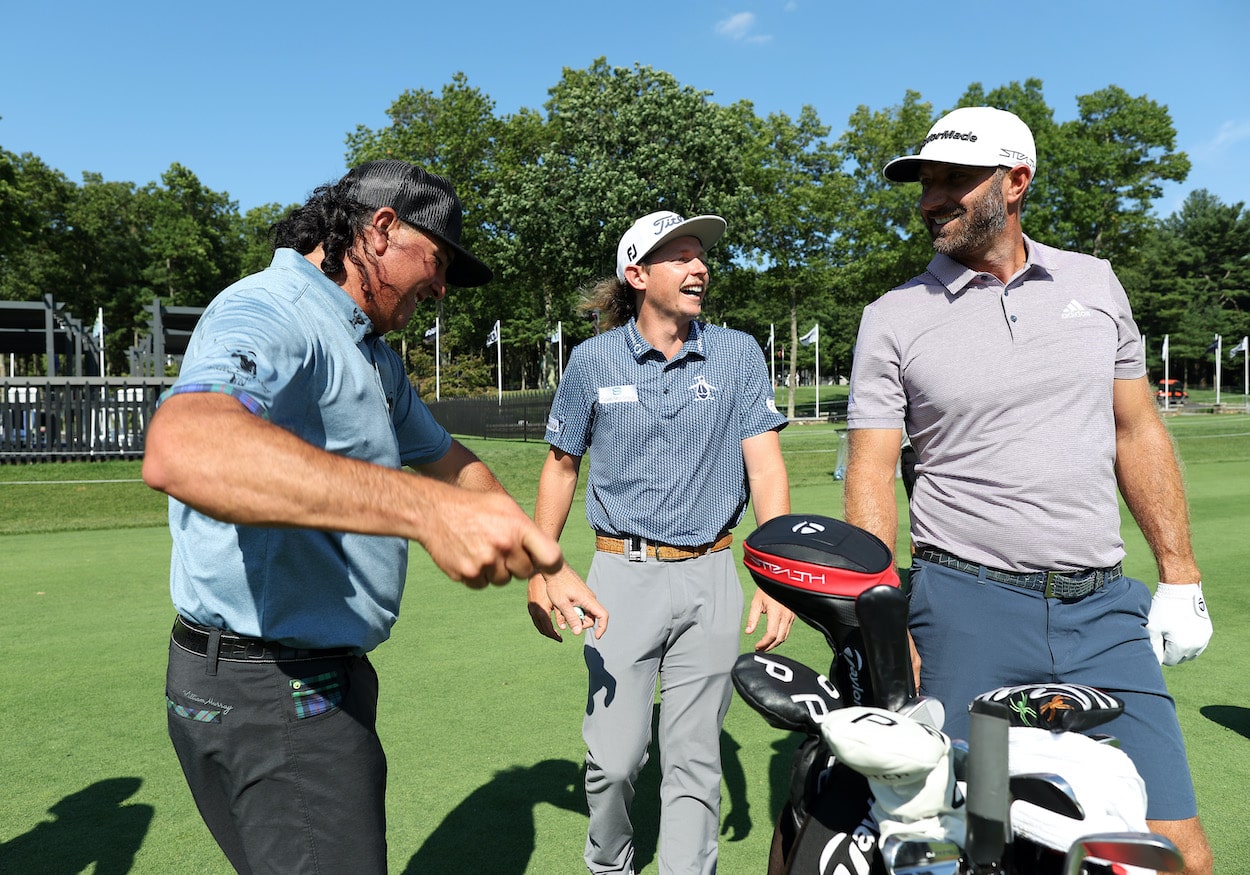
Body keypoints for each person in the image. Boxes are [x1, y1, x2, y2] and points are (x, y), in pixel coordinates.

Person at [142, 159, 564, 874]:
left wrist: (539, 558)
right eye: (437, 262)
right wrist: (424, 511)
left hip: (281, 681)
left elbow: (450, 460)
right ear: (383, 228)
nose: (440, 289)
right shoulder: (272, 309)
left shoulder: (367, 350)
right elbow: (184, 448)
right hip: (275, 690)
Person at [843, 106, 1214, 872]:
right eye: (924, 182)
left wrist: (1180, 575)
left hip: (1105, 609)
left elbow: (1136, 429)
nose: (930, 199)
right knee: (960, 846)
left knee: (1175, 848)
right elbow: (873, 471)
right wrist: (887, 625)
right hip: (964, 609)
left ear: (1016, 182)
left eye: (954, 180)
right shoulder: (892, 318)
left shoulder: (1095, 282)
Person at [526, 210, 796, 875]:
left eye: (700, 254)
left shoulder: (738, 353)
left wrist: (779, 573)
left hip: (712, 575)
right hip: (619, 579)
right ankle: (610, 861)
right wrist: (541, 566)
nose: (698, 265)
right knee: (614, 761)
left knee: (695, 758)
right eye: (679, 255)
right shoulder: (591, 362)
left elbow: (764, 466)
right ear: (637, 273)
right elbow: (561, 465)